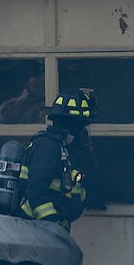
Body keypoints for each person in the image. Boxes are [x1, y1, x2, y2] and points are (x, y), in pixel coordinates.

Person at [19, 89, 95, 230]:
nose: (83, 130)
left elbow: (69, 189)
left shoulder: (64, 148)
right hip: (35, 227)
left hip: (48, 226)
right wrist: (52, 222)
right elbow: (36, 191)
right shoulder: (48, 147)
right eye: (82, 125)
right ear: (73, 124)